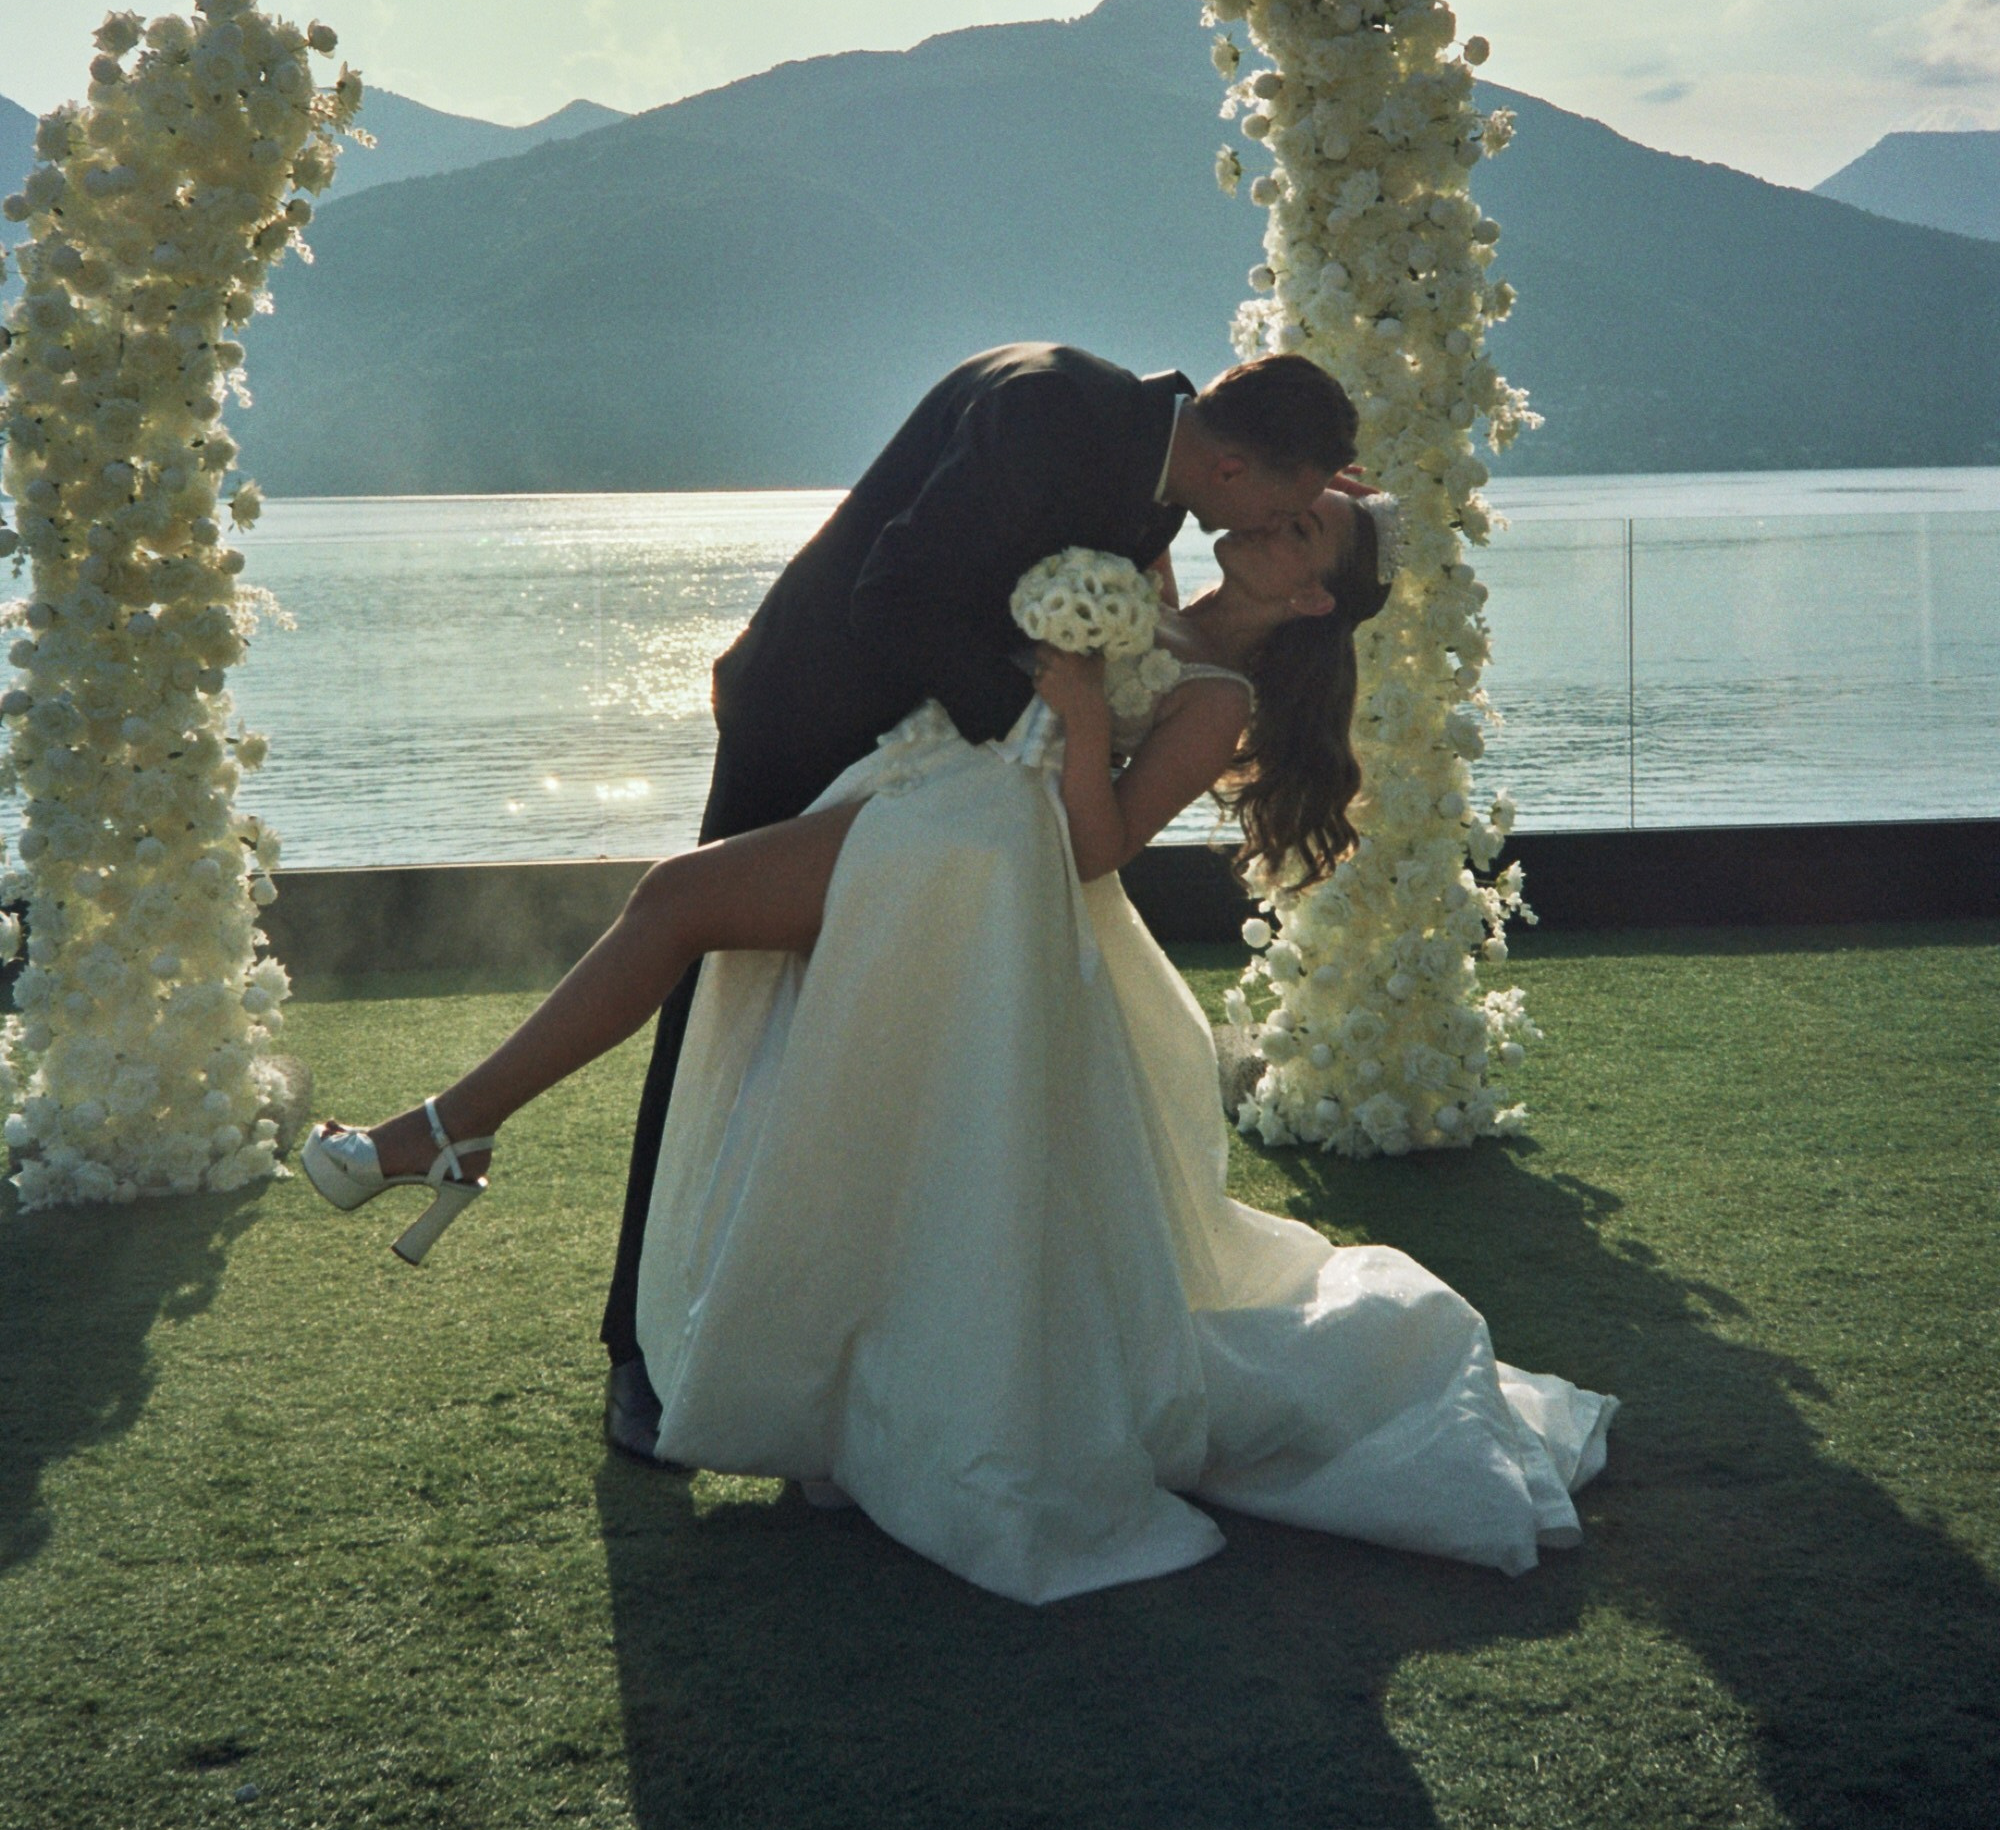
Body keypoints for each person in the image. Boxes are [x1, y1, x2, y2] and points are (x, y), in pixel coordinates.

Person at [302, 476, 1614, 1606]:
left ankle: (443, 1132)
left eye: (1299, 539)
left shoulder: (1217, 697)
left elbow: (1099, 846)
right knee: (826, 1084)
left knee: (680, 904)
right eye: (1279, 512)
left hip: (989, 882)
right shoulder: (1142, 569)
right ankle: (787, 1342)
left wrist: (1086, 699)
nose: (1266, 533)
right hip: (924, 815)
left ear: (1315, 598)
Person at [599, 343, 1360, 1465]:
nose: (1271, 526)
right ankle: (637, 1346)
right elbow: (892, 589)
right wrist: (1043, 711)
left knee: (857, 1051)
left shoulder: (1159, 476)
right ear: (1238, 465)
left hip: (932, 789)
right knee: (716, 998)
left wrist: (1060, 726)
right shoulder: (1053, 409)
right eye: (1291, 501)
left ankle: (816, 1337)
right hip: (812, 716)